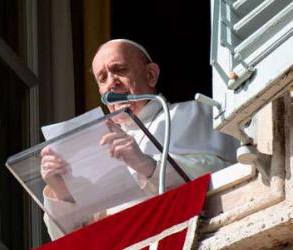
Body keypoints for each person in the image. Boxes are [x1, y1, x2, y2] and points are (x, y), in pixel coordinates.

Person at [41, 39, 239, 239]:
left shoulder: (195, 112)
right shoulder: (95, 146)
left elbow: (225, 175)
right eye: (102, 78)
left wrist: (147, 165)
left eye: (119, 69)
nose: (111, 82)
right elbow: (74, 240)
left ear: (150, 75)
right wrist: (62, 193)